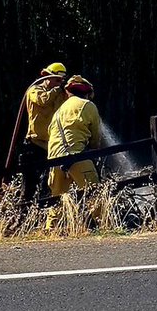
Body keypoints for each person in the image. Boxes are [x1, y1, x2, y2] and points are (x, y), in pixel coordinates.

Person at [45, 75, 103, 230]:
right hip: (77, 156)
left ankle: (51, 231)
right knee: (95, 195)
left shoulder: (58, 111)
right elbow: (96, 137)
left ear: (68, 92)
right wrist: (93, 150)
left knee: (56, 201)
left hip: (54, 160)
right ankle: (105, 226)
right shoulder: (88, 105)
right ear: (87, 92)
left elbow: (50, 134)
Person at [20, 62, 67, 191]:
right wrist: (58, 89)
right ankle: (25, 208)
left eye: (61, 81)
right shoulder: (34, 90)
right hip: (34, 144)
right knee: (29, 185)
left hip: (51, 144)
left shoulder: (59, 94)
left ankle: (44, 207)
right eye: (57, 80)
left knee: (48, 182)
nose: (59, 83)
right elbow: (43, 100)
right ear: (46, 77)